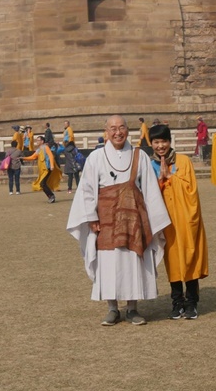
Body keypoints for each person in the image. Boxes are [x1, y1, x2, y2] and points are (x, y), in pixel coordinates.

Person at [67, 115, 170, 326]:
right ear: (106, 131)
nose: (117, 132)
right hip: (105, 218)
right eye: (113, 128)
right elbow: (87, 188)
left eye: (121, 127)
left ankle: (132, 308)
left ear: (127, 130)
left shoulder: (139, 156)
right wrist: (91, 217)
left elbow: (149, 188)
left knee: (132, 261)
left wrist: (153, 220)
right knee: (108, 262)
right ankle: (112, 308)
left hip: (133, 217)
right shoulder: (96, 157)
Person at [149, 124, 208, 320]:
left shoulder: (183, 161)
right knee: (172, 261)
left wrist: (170, 177)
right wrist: (159, 180)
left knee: (189, 257)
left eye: (163, 141)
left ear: (169, 141)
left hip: (185, 218)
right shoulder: (149, 165)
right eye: (156, 142)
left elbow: (191, 190)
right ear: (151, 144)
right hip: (165, 221)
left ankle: (192, 302)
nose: (160, 146)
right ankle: (177, 302)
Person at [23, 135, 62, 202]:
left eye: (38, 140)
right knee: (43, 184)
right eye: (37, 140)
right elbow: (33, 157)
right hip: (44, 169)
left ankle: (51, 196)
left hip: (48, 168)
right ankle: (50, 196)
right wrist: (23, 158)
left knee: (42, 183)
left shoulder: (45, 147)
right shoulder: (39, 149)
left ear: (42, 141)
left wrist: (52, 165)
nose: (37, 142)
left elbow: (51, 156)